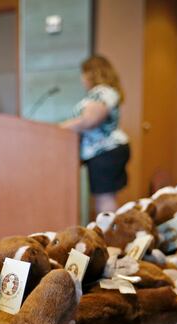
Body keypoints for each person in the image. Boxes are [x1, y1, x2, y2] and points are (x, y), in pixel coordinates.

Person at [59, 55, 130, 214]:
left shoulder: (102, 92)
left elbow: (90, 120)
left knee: (105, 199)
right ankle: (109, 233)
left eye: (83, 74)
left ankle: (109, 236)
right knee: (105, 198)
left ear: (91, 73)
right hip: (107, 151)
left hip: (105, 151)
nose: (82, 79)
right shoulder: (106, 92)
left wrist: (60, 128)